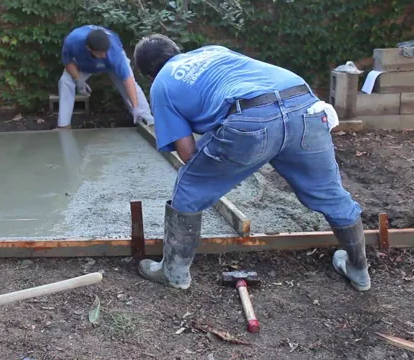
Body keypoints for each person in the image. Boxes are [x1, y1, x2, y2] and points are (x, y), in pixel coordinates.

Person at [132, 34, 370, 292]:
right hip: (305, 106)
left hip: (253, 119)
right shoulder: (213, 49)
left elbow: (189, 155)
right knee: (330, 193)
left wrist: (226, 162)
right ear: (177, 50)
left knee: (189, 187)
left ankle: (173, 273)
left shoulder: (162, 85)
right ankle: (359, 271)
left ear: (149, 75)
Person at [57, 25, 154, 128]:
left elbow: (127, 79)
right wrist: (78, 80)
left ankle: (148, 121)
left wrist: (135, 107)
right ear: (88, 48)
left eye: (105, 52)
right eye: (101, 53)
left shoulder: (114, 52)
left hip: (112, 63)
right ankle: (64, 125)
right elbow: (68, 62)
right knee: (65, 81)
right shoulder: (72, 41)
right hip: (84, 63)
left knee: (131, 85)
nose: (104, 56)